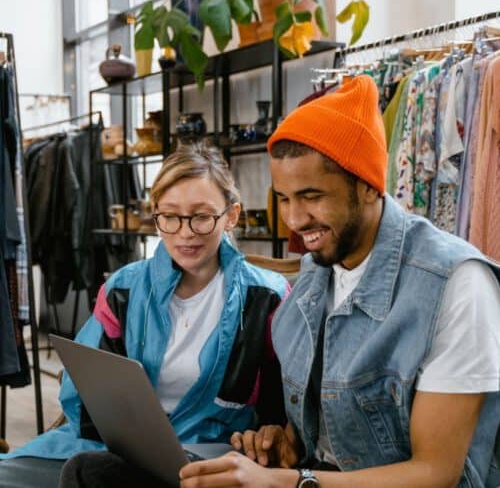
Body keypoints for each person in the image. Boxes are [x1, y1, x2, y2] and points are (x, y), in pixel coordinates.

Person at [178, 75, 500, 487]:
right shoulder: (316, 272)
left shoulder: (456, 285)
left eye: (312, 197)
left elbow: (434, 473)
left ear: (367, 186)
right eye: (283, 198)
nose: (294, 220)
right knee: (103, 471)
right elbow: (326, 428)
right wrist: (286, 445)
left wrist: (290, 482)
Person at [1, 143, 289, 486]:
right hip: (113, 449)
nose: (185, 232)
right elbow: (86, 392)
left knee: (85, 476)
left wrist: (270, 435)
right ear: (155, 215)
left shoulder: (267, 297)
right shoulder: (124, 289)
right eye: (169, 216)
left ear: (231, 216)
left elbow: (283, 408)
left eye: (201, 216)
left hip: (210, 457)